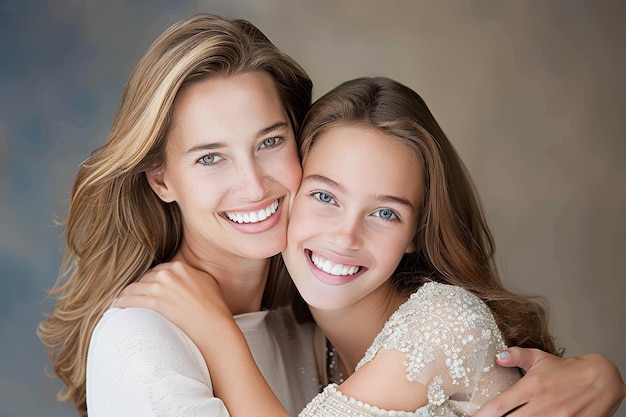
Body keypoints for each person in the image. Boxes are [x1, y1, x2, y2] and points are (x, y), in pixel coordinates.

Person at [117, 77, 626, 416]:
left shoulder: (440, 323)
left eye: (386, 213)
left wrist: (216, 332)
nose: (344, 236)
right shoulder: (312, 340)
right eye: (324, 196)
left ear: (415, 234)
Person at [37, 13, 319, 417]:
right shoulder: (138, 337)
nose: (254, 185)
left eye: (270, 141)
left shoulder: (306, 325)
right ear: (161, 181)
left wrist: (220, 333)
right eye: (210, 158)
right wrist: (219, 336)